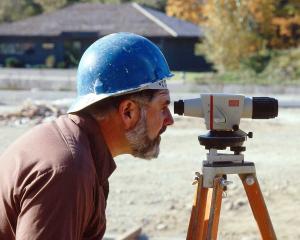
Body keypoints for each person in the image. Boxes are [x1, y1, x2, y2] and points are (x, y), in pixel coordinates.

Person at [0, 32, 174, 239]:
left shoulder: (76, 150)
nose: (169, 119)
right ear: (128, 111)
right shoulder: (67, 171)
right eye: (163, 107)